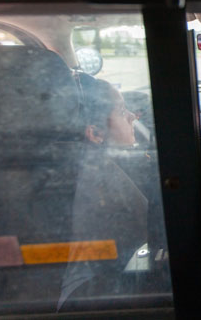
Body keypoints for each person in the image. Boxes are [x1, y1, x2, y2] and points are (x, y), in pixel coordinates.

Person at [59, 74, 148, 308]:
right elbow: (150, 227)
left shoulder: (79, 166)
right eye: (121, 111)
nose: (132, 117)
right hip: (87, 297)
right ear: (95, 133)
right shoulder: (97, 175)